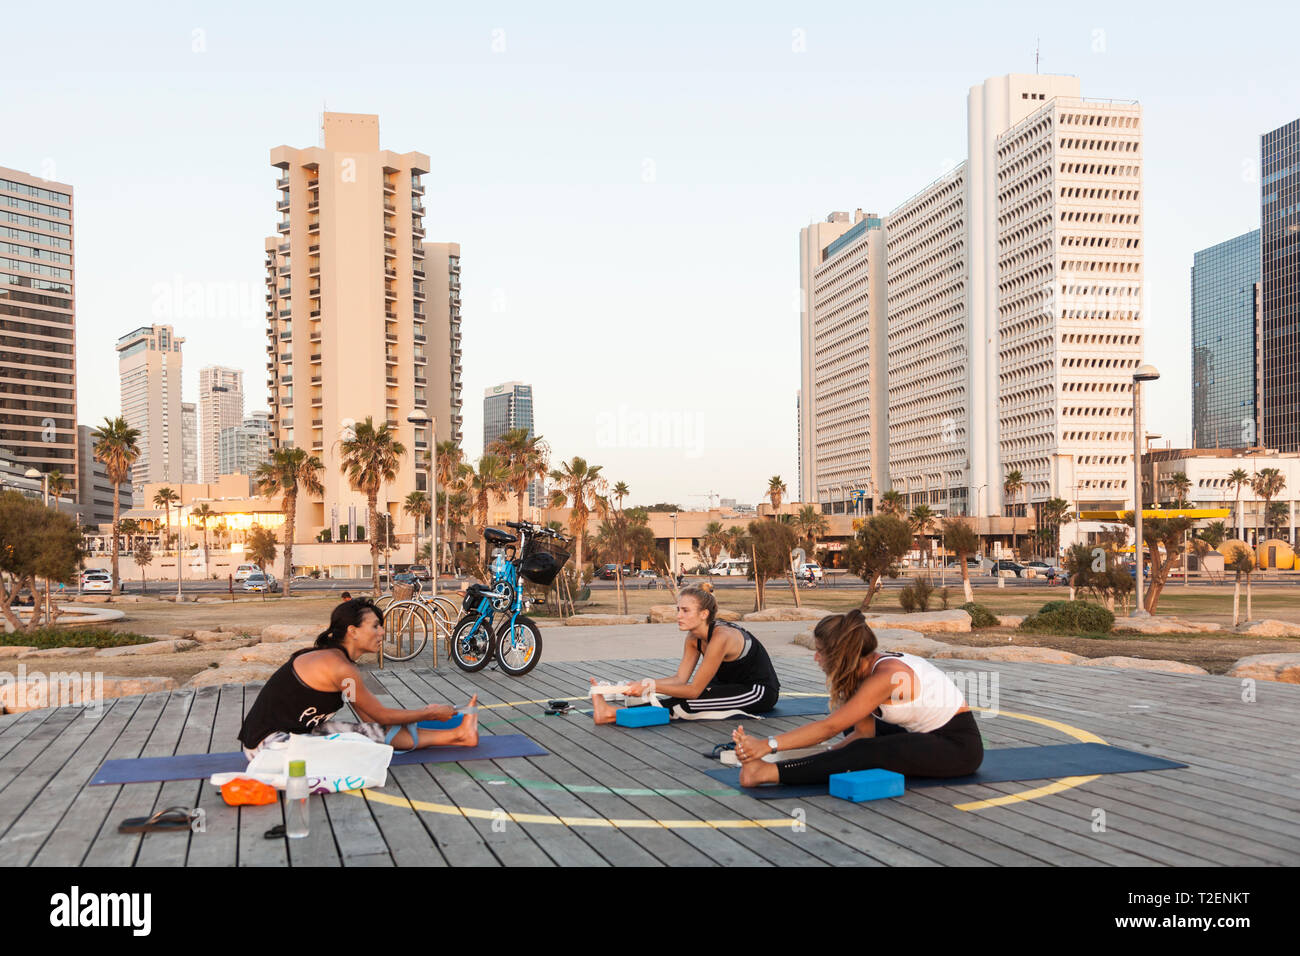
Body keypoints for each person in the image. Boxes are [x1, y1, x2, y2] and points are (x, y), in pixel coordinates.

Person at [731, 609, 982, 787]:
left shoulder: (888, 675)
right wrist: (827, 757)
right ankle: (808, 764)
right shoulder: (862, 669)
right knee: (855, 733)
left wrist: (767, 745)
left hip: (957, 747)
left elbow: (830, 727)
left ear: (841, 655)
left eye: (820, 652)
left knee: (864, 751)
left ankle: (764, 773)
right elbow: (863, 732)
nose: (816, 658)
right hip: (923, 735)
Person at [237, 597, 478, 758]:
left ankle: (459, 735)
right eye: (375, 626)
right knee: (359, 749)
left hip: (297, 735)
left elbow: (371, 718)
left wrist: (411, 719)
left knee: (370, 734)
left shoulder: (342, 667)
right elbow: (381, 715)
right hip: (268, 747)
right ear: (352, 631)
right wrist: (429, 714)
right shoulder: (340, 668)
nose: (382, 632)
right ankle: (457, 734)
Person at [590, 585, 780, 722]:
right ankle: (611, 713)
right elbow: (680, 679)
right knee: (679, 699)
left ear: (704, 614)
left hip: (757, 691)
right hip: (727, 685)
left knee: (686, 704)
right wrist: (645, 683)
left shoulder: (722, 637)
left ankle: (610, 713)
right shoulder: (693, 638)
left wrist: (652, 687)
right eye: (678, 610)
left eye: (685, 611)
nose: (678, 615)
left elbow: (694, 690)